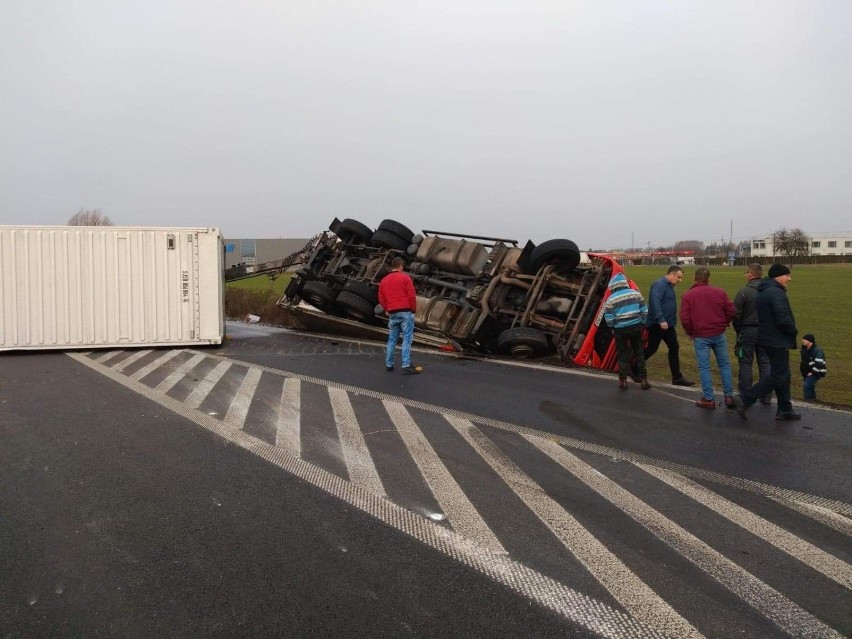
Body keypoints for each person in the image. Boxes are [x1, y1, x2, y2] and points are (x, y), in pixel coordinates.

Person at [735, 263, 800, 421]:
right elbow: (783, 318)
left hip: (767, 338)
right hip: (776, 340)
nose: (789, 278)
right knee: (778, 375)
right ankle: (746, 398)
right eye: (787, 275)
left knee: (784, 374)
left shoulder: (765, 291)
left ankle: (785, 408)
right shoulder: (775, 293)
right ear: (778, 276)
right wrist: (793, 331)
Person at [680, 268, 736, 409]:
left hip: (701, 335)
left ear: (694, 278)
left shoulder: (688, 295)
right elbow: (731, 311)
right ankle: (729, 396)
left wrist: (690, 332)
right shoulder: (720, 292)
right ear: (708, 279)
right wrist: (723, 324)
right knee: (724, 364)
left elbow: (685, 318)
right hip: (718, 333)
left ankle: (709, 398)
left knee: (704, 367)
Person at [640, 265, 695, 386]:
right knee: (652, 348)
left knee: (674, 347)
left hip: (667, 325)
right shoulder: (659, 284)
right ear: (672, 274)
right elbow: (655, 302)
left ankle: (677, 377)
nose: (680, 280)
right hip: (657, 324)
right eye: (679, 277)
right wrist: (661, 319)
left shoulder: (669, 286)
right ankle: (633, 367)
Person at [603, 272, 651, 390]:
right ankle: (644, 380)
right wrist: (642, 322)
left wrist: (613, 328)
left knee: (622, 354)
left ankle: (623, 381)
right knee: (639, 353)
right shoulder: (635, 294)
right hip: (636, 327)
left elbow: (609, 317)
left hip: (620, 329)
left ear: (613, 286)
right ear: (625, 283)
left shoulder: (610, 299)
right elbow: (644, 310)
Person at [733, 263, 772, 405]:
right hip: (766, 331)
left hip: (748, 331)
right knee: (765, 362)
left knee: (745, 363)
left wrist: (739, 330)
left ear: (750, 274)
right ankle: (766, 393)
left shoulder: (744, 291)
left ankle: (745, 393)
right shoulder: (770, 291)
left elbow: (736, 314)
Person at [378, 257, 422, 374]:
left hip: (393, 312)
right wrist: (413, 310)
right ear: (400, 266)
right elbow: (411, 296)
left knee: (392, 340)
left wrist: (388, 308)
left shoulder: (384, 281)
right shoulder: (405, 277)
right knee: (407, 339)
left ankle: (389, 364)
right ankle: (406, 364)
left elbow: (381, 299)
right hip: (405, 311)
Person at [800, 333, 827, 401]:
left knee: (807, 385)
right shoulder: (804, 350)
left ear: (810, 341)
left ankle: (808, 400)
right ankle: (813, 400)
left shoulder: (817, 351)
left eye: (805, 339)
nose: (803, 340)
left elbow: (819, 364)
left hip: (816, 372)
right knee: (810, 386)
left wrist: (812, 372)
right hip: (806, 372)